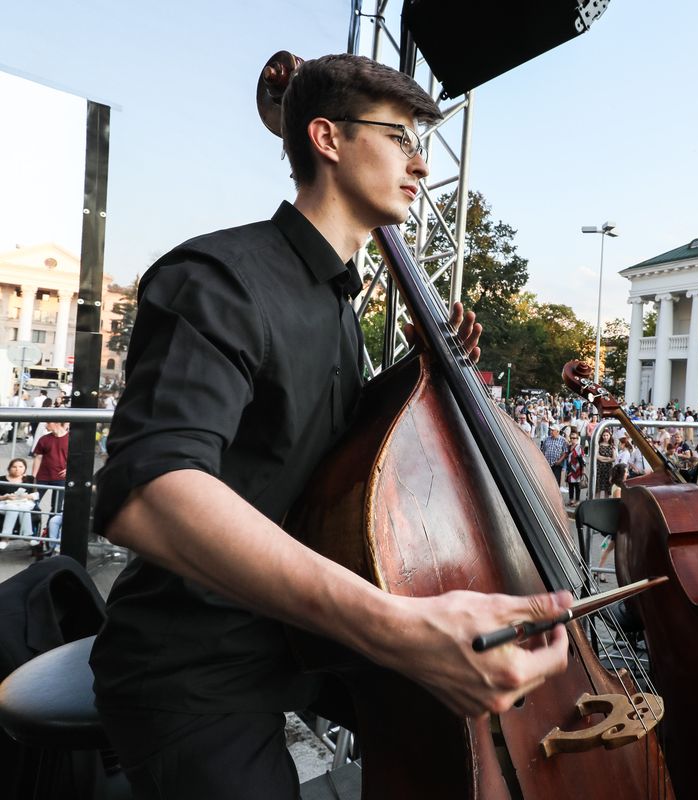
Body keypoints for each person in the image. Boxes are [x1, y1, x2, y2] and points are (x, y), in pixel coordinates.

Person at [88, 54, 571, 800]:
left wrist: (420, 377)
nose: (420, 165)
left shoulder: (337, 309)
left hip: (300, 640)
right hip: (195, 661)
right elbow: (149, 492)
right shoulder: (219, 278)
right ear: (327, 137)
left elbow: (319, 453)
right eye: (400, 138)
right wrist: (393, 627)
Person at [0, 457, 35, 548]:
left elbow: (36, 495)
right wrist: (5, 497)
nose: (17, 469)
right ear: (9, 468)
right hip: (6, 503)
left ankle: (27, 536)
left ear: (25, 468)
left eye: (20, 466)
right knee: (13, 508)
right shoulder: (2, 479)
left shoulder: (30, 479)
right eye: (14, 467)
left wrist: (26, 496)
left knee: (23, 508)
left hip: (24, 502)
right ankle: (5, 538)